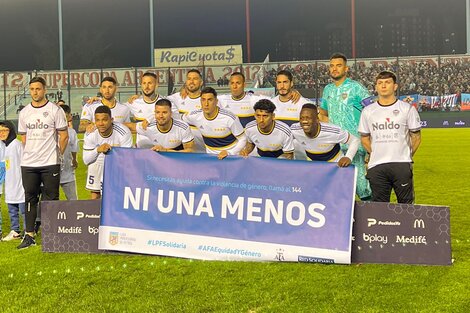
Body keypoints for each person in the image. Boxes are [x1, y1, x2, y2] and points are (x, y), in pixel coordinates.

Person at [17, 76, 69, 249]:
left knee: (51, 197)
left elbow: (64, 136)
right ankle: (29, 235)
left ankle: (52, 233)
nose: (35, 92)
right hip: (29, 163)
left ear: (44, 90)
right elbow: (23, 137)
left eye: (38, 89)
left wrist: (57, 155)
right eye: (32, 89)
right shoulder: (24, 113)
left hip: (50, 162)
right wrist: (33, 151)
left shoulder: (55, 110)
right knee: (30, 197)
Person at [358, 71, 421, 204]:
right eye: (380, 83)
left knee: (406, 206)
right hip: (377, 166)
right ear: (376, 87)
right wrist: (375, 153)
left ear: (395, 86)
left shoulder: (407, 109)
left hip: (401, 165)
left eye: (387, 82)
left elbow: (416, 137)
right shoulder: (368, 111)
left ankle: (407, 226)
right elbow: (364, 138)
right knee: (379, 208)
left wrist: (406, 155)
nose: (383, 86)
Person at [319, 52, 372, 200]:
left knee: (362, 187)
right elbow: (323, 113)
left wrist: (369, 145)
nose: (334, 69)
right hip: (334, 147)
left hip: (355, 145)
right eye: (332, 66)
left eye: (338, 65)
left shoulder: (356, 88)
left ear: (346, 69)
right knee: (338, 188)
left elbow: (372, 113)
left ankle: (372, 219)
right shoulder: (327, 89)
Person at [83, 106, 133, 200]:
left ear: (112, 120)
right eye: (98, 120)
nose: (101, 123)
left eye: (104, 120)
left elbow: (128, 158)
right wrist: (97, 150)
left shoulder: (123, 132)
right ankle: (95, 214)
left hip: (117, 164)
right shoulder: (90, 134)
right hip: (97, 162)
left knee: (116, 196)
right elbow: (86, 160)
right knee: (95, 196)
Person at [182, 87, 246, 159]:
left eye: (210, 100)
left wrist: (229, 152)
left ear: (216, 101)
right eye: (203, 100)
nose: (206, 104)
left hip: (230, 157)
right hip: (210, 159)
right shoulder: (194, 116)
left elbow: (243, 139)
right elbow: (179, 120)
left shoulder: (229, 118)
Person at [290, 103, 360, 166]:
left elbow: (355, 140)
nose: (304, 121)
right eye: (301, 118)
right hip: (313, 165)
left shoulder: (333, 131)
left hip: (334, 165)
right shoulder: (295, 129)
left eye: (308, 118)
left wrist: (348, 157)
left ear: (317, 119)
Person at [167, 69, 205, 152]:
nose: (191, 81)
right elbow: (159, 101)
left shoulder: (206, 99)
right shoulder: (177, 97)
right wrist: (139, 98)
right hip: (183, 149)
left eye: (195, 79)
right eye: (189, 79)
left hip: (204, 149)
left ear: (201, 82)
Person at [0, 121, 26, 241]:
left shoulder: (17, 145)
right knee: (12, 209)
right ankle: (15, 230)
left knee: (23, 209)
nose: (2, 133)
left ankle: (28, 231)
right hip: (10, 182)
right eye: (0, 131)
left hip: (20, 181)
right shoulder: (5, 146)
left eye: (5, 130)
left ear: (11, 131)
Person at [126, 72, 164, 148]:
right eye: (144, 83)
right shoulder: (134, 103)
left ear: (156, 85)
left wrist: (151, 118)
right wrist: (97, 101)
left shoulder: (165, 103)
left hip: (160, 150)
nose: (146, 86)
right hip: (141, 151)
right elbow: (116, 107)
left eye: (150, 83)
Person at [59, 104, 79, 200]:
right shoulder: (50, 131)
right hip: (51, 172)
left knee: (73, 201)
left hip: (67, 171)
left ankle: (75, 215)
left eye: (65, 116)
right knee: (49, 201)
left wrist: (74, 160)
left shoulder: (71, 132)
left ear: (69, 117)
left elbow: (74, 148)